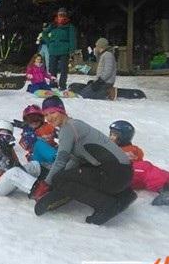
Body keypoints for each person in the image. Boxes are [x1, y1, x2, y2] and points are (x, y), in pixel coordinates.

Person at [29, 96, 136, 225]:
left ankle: (107, 205)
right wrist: (59, 184)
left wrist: (47, 183)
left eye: (52, 112)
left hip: (113, 175)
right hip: (123, 174)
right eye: (46, 115)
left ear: (61, 110)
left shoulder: (68, 128)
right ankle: (124, 195)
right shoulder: (76, 125)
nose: (50, 117)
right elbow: (76, 160)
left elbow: (61, 161)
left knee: (59, 178)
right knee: (64, 176)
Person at [109, 120, 169, 193]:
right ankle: (163, 186)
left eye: (115, 135)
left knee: (151, 169)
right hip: (119, 175)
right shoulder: (109, 147)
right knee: (145, 168)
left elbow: (139, 158)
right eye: (111, 134)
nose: (111, 137)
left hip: (131, 177)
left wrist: (132, 156)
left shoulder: (133, 149)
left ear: (125, 137)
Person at [0, 120, 45, 197]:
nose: (3, 140)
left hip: (9, 180)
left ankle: (50, 178)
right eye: (0, 136)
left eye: (7, 137)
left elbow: (18, 167)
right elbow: (8, 167)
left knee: (33, 164)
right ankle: (40, 191)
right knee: (14, 172)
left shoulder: (7, 148)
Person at [41, 8, 77, 89]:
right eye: (60, 15)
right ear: (57, 16)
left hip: (64, 50)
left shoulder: (70, 26)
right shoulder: (53, 25)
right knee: (52, 68)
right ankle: (53, 84)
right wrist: (49, 42)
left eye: (63, 15)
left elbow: (72, 39)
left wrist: (71, 50)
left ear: (66, 16)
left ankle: (62, 85)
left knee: (64, 69)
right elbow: (44, 33)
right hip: (53, 50)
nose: (61, 17)